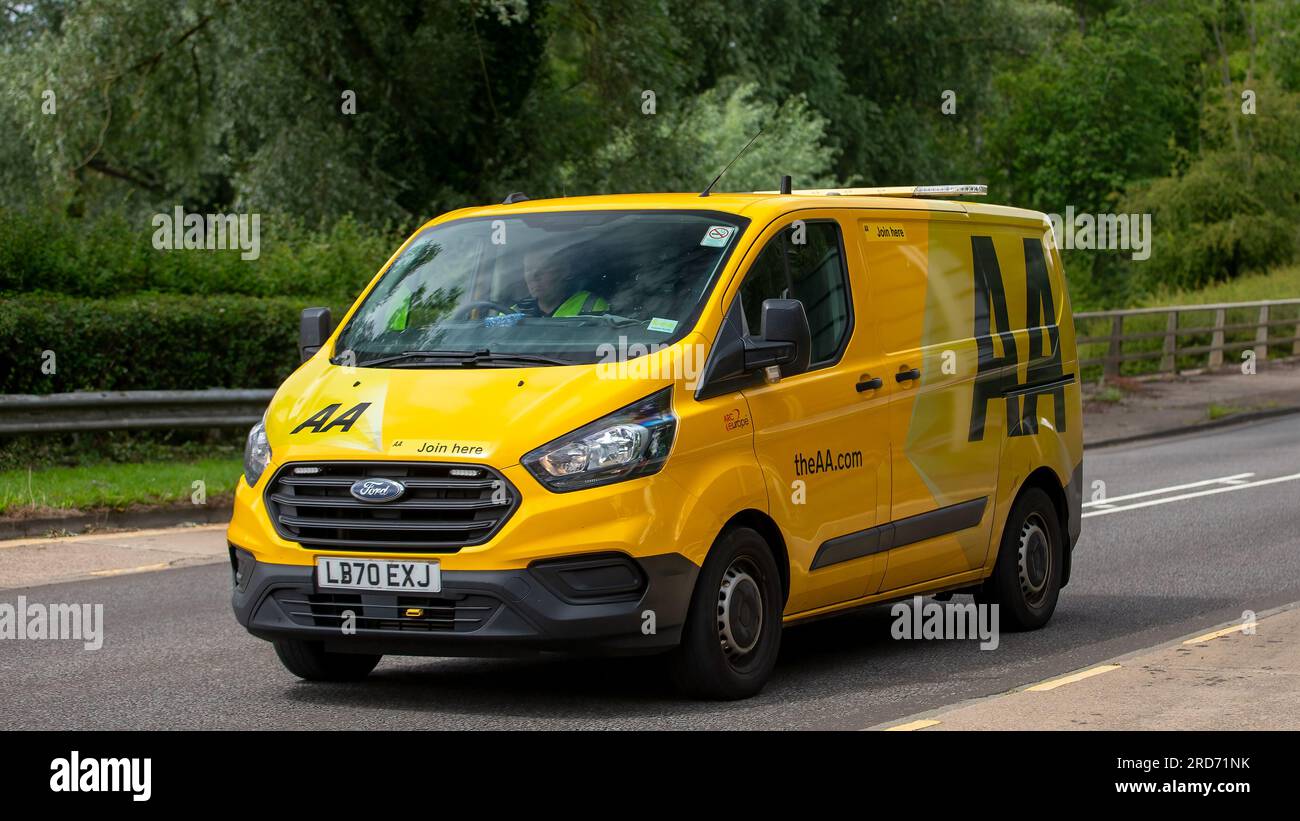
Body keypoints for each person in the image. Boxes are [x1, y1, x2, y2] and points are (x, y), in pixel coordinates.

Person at [513, 248, 608, 317]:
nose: (533, 276)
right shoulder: (513, 313)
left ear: (565, 271)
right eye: (528, 269)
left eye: (543, 268)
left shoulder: (591, 307)